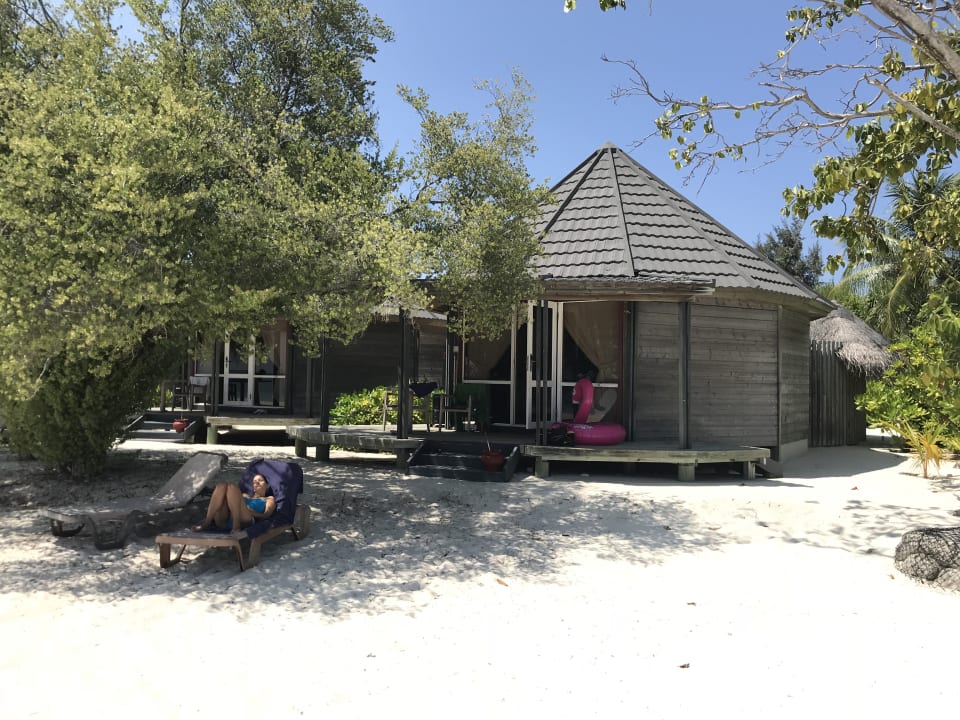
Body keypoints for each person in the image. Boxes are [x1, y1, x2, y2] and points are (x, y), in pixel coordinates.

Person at [192, 473, 276, 535]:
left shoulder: (269, 499)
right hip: (226, 519)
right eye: (254, 481)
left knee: (232, 486)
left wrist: (250, 512)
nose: (257, 483)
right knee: (221, 486)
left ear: (267, 485)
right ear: (253, 487)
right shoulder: (244, 495)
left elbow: (266, 515)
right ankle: (207, 522)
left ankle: (236, 524)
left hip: (245, 520)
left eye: (260, 480)